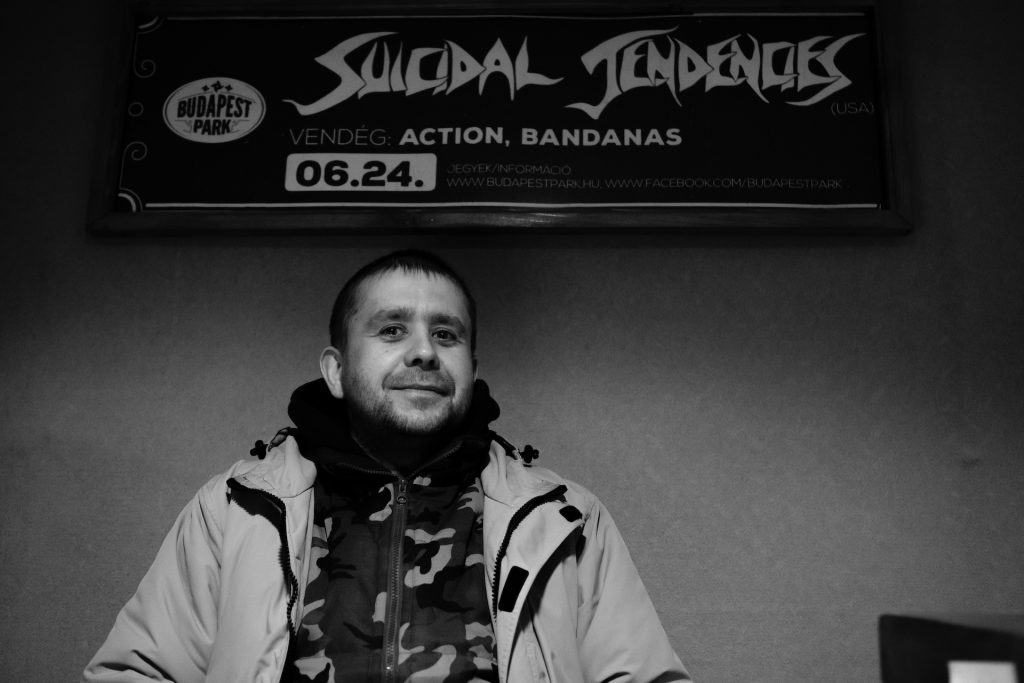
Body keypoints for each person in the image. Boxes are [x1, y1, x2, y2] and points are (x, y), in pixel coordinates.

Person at [83, 250, 690, 683]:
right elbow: (137, 671)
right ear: (336, 371)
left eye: (446, 335)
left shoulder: (565, 520)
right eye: (392, 329)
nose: (424, 351)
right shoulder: (235, 509)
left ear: (472, 370)